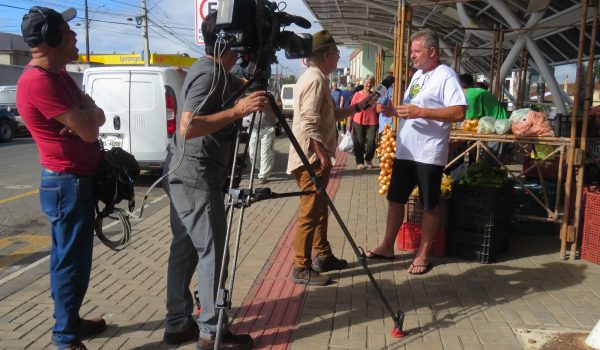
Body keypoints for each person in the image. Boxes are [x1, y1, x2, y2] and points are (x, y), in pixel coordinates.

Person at [161, 11, 267, 350]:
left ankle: (178, 323)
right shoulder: (208, 73)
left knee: (187, 250)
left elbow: (233, 86)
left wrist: (252, 77)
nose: (242, 49)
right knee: (214, 254)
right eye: (240, 41)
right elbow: (188, 125)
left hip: (185, 175)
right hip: (196, 178)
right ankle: (211, 333)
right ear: (226, 41)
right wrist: (238, 112)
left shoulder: (213, 71)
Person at [16, 7, 107, 349]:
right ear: (52, 39)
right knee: (71, 263)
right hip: (66, 184)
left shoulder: (60, 76)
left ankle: (70, 321)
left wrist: (90, 113)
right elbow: (87, 129)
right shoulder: (39, 81)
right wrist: (89, 114)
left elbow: (94, 112)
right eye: (68, 33)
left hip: (74, 182)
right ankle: (66, 338)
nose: (75, 38)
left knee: (69, 259)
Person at [366, 29, 466, 275]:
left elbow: (459, 111)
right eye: (411, 51)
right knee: (395, 199)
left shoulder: (445, 76)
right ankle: (388, 246)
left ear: (432, 52)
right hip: (406, 151)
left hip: (428, 154)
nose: (412, 56)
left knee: (429, 204)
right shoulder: (418, 76)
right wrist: (391, 111)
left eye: (416, 51)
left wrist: (421, 112)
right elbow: (412, 109)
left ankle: (423, 254)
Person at [287, 30, 375, 286]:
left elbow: (329, 115)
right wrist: (322, 155)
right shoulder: (315, 80)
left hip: (313, 156)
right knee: (309, 212)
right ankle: (301, 266)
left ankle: (323, 256)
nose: (339, 57)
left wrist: (358, 107)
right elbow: (308, 122)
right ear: (325, 55)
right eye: (336, 53)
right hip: (310, 158)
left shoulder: (318, 78)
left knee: (320, 209)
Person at [459, 73, 508, 164]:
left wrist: (458, 138)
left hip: (498, 128)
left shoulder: (471, 96)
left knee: (490, 163)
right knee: (479, 156)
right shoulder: (475, 91)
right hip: (493, 125)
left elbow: (468, 120)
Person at [244, 103, 277, 184]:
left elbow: (279, 106)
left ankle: (263, 175)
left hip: (268, 127)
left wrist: (267, 104)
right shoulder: (249, 90)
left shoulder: (273, 91)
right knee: (252, 153)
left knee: (265, 153)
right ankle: (260, 169)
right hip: (253, 128)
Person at [350, 76, 378, 169]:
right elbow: (352, 109)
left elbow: (378, 107)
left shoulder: (374, 95)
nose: (368, 85)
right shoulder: (357, 94)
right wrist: (349, 123)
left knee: (371, 142)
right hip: (358, 120)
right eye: (367, 82)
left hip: (372, 120)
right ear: (364, 83)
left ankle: (368, 158)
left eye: (370, 83)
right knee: (359, 142)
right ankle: (359, 162)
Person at [377, 65, 396, 139]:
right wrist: (392, 110)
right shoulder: (385, 88)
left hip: (399, 127)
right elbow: (378, 108)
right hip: (386, 126)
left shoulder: (403, 87)